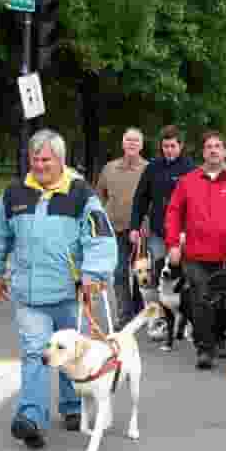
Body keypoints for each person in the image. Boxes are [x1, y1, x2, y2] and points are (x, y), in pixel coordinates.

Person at [0, 129, 117, 450]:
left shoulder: (82, 194)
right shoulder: (14, 193)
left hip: (70, 293)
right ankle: (32, 418)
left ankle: (72, 406)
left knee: (72, 353)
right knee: (35, 353)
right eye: (35, 159)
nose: (39, 165)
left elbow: (100, 237)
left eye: (46, 159)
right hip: (29, 295)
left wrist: (93, 274)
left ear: (60, 160)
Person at [164, 130, 226, 368]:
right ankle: (204, 349)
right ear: (203, 152)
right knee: (200, 299)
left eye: (218, 146)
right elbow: (174, 212)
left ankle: (219, 337)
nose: (214, 150)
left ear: (225, 152)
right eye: (209, 146)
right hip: (196, 255)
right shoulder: (189, 181)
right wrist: (174, 244)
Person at [96, 127, 149, 328]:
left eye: (136, 141)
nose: (132, 144)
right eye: (128, 140)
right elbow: (100, 194)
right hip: (114, 229)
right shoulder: (109, 168)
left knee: (140, 274)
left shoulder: (148, 168)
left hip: (140, 231)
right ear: (123, 143)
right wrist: (103, 215)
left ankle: (139, 311)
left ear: (141, 145)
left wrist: (146, 222)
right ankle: (123, 315)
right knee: (119, 273)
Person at [129, 124, 195, 265]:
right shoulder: (153, 167)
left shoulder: (190, 169)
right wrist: (135, 226)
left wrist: (186, 231)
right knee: (155, 269)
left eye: (172, 146)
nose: (169, 150)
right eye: (165, 146)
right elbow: (140, 199)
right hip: (158, 230)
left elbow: (196, 205)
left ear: (180, 146)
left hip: (182, 233)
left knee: (181, 272)